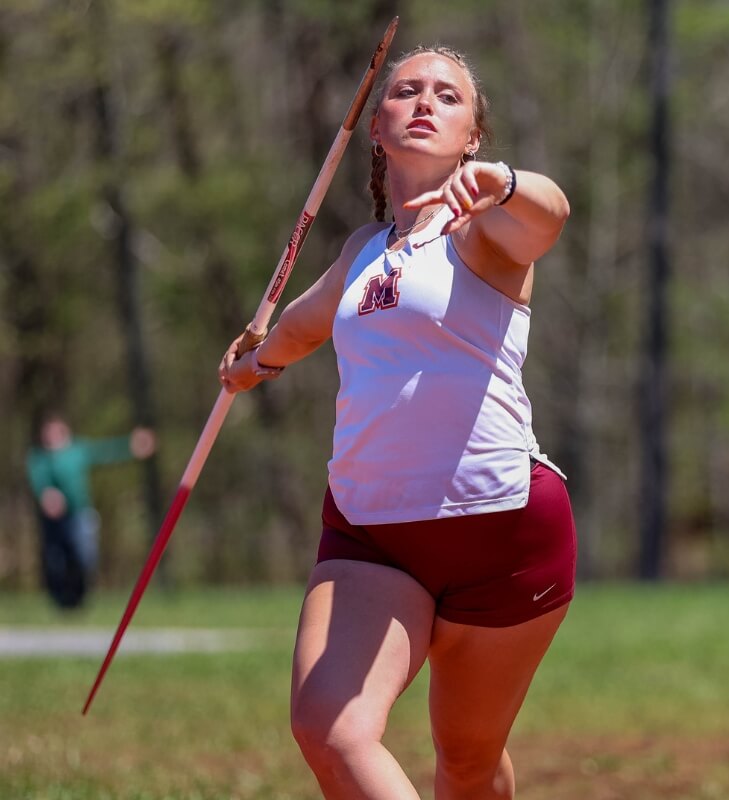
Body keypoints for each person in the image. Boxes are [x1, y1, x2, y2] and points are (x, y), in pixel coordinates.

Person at [219, 45, 575, 800]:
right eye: (405, 91)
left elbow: (550, 215)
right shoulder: (361, 253)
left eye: (447, 96)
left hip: (499, 528)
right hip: (370, 529)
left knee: (468, 760)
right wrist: (255, 364)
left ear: (472, 133)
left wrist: (502, 183)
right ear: (375, 130)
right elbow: (305, 325)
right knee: (329, 727)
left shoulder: (488, 231)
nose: (423, 101)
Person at [25, 411, 156, 608]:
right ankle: (60, 600)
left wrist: (131, 445)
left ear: (64, 432)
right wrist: (46, 495)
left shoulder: (76, 451)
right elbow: (38, 480)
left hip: (80, 515)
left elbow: (105, 452)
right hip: (54, 520)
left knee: (85, 556)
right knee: (55, 561)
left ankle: (81, 596)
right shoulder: (39, 458)